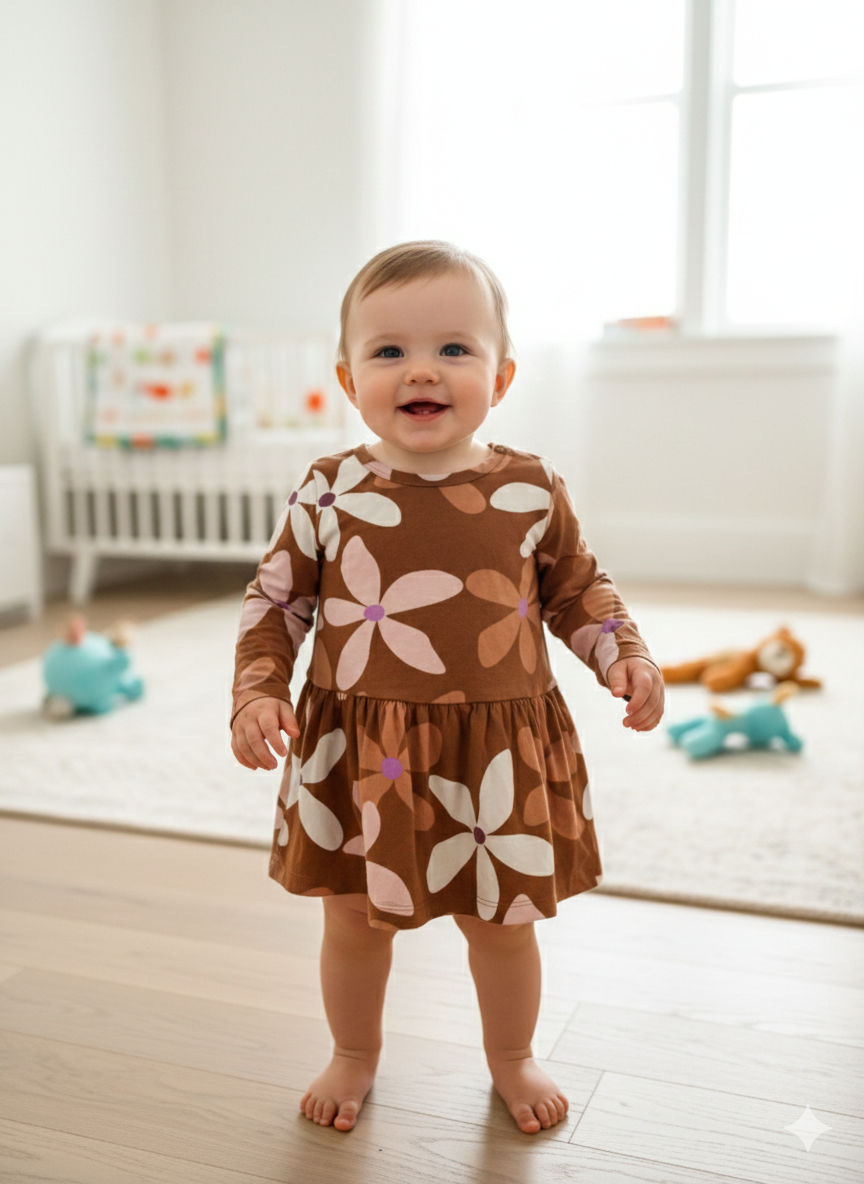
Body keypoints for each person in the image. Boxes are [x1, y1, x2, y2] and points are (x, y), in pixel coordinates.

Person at [230, 241, 665, 1136]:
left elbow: (579, 587)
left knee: (503, 923)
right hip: (366, 753)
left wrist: (623, 652)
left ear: (499, 378)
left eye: (453, 350)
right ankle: (355, 1052)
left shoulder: (528, 486)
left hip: (494, 753)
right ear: (349, 379)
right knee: (354, 918)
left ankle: (512, 1055)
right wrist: (257, 689)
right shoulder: (329, 488)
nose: (420, 369)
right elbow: (277, 600)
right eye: (388, 351)